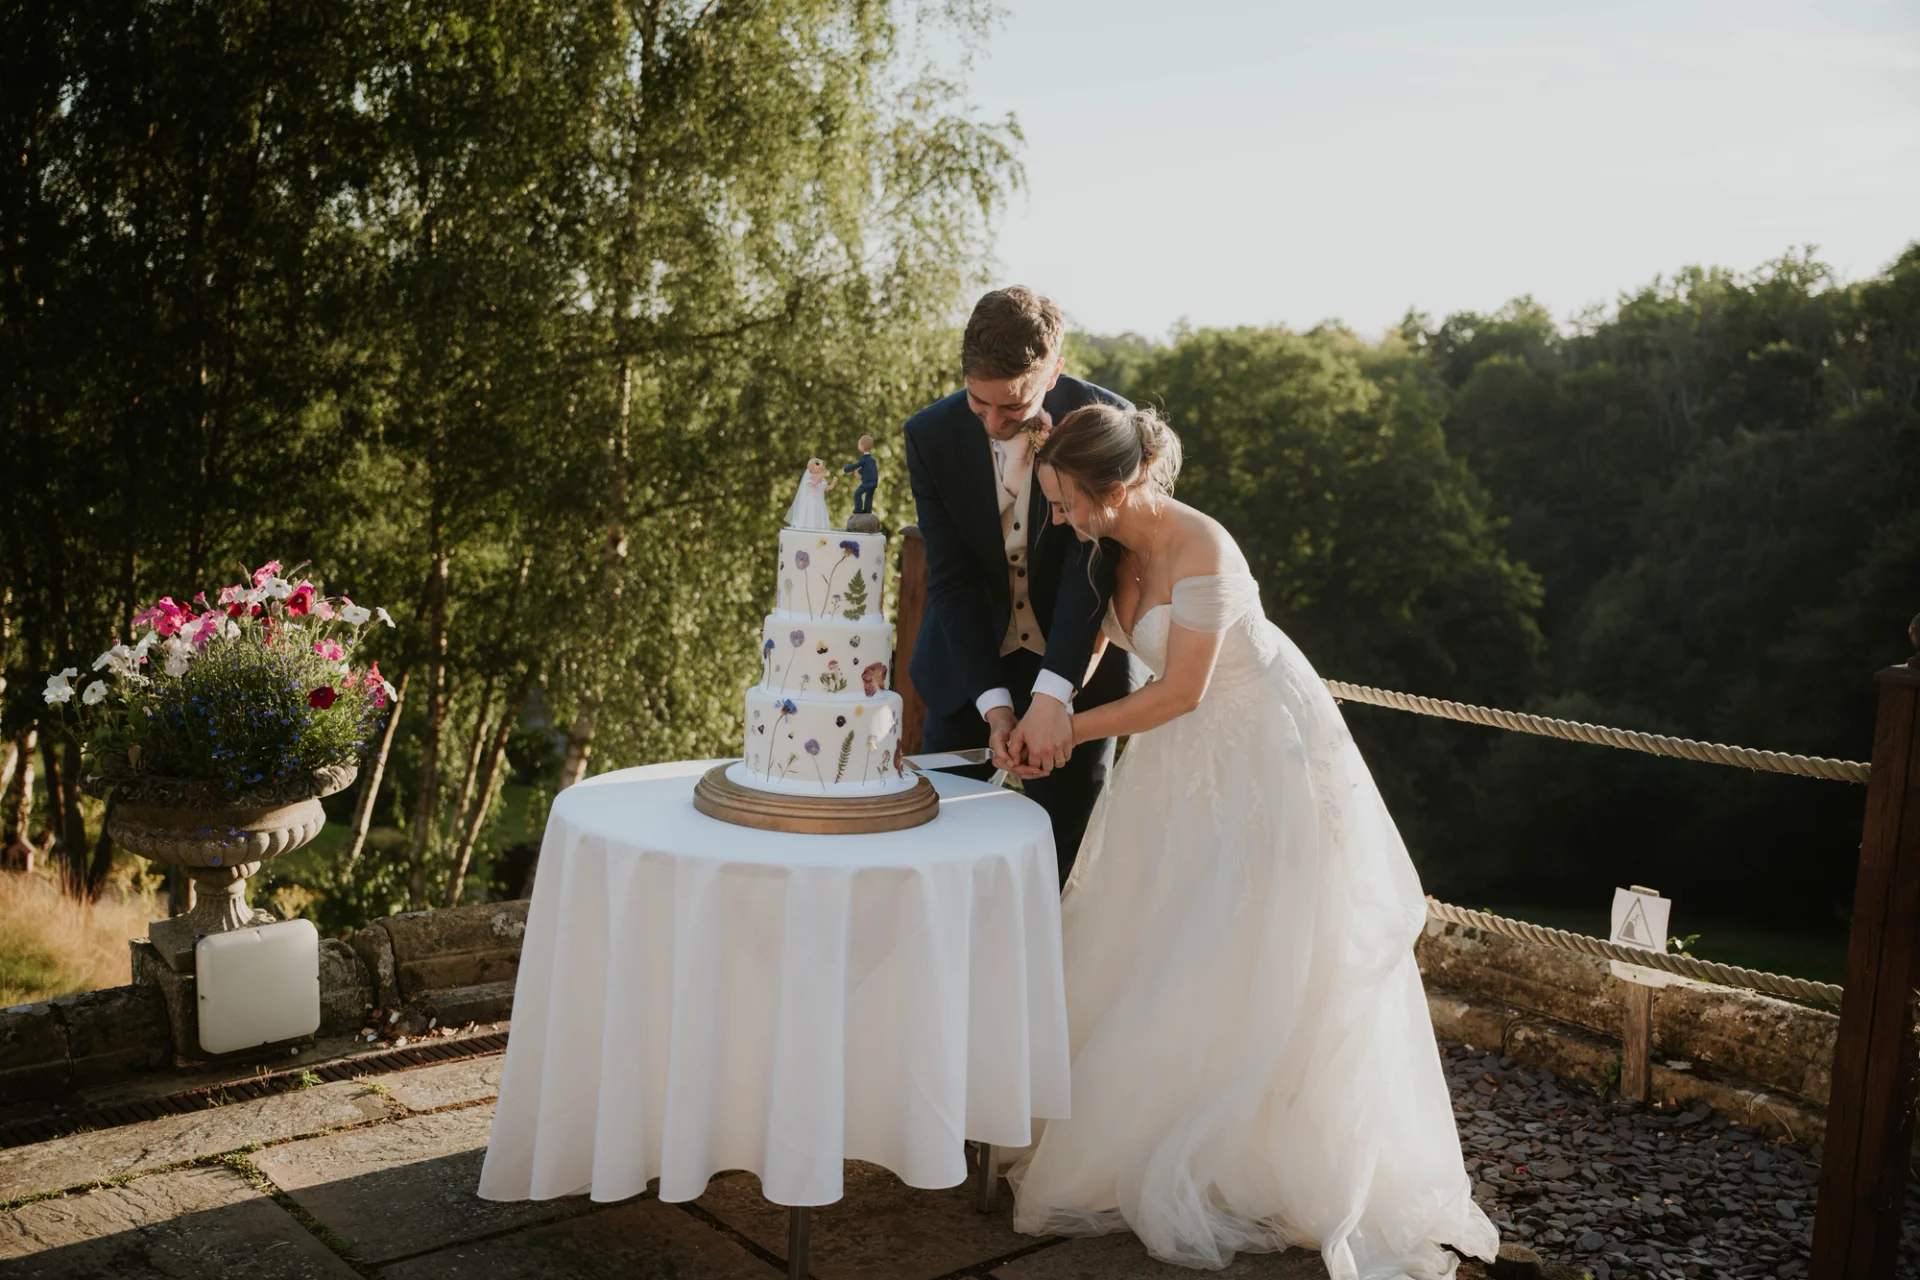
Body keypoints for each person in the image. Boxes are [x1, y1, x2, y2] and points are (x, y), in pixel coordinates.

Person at [1005, 403, 1500, 1279]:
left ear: (1116, 489)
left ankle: (1253, 1154)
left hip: (1261, 750)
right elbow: (1088, 641)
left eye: (1068, 501)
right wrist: (1049, 703)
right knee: (1158, 932)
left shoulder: (1204, 549)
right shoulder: (1107, 547)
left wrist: (1070, 734)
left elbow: (1182, 691)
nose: (1061, 518)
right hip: (1176, 763)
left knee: (1248, 940)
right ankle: (1149, 1123)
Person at [903, 287, 1137, 883]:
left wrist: (1052, 697)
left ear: (1055, 370)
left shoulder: (1110, 423)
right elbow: (950, 581)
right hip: (968, 678)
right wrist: (997, 707)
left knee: (1058, 867)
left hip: (1077, 680)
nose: (994, 423)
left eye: (1014, 407)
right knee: (940, 861)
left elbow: (1093, 574)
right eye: (980, 403)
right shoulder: (929, 435)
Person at [785, 458, 837, 531]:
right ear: (811, 467)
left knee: (820, 515)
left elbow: (827, 488)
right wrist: (818, 478)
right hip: (812, 502)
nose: (821, 466)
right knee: (812, 515)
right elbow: (813, 485)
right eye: (818, 464)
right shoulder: (809, 478)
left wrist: (833, 483)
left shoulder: (822, 479)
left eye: (823, 464)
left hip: (820, 502)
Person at [843, 436, 879, 515]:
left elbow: (856, 465)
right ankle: (867, 510)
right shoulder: (872, 460)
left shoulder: (865, 459)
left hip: (868, 482)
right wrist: (860, 471)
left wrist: (846, 469)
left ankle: (858, 509)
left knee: (857, 493)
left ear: (862, 446)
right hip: (874, 482)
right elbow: (869, 470)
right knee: (869, 496)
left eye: (859, 444)